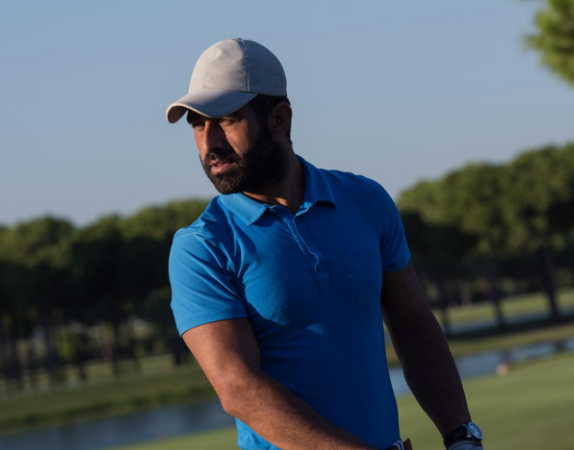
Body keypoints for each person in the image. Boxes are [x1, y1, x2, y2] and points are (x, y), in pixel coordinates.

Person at [166, 38, 484, 450]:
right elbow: (239, 389)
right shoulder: (202, 246)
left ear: (279, 119)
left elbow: (415, 326)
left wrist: (461, 435)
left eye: (225, 120)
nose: (209, 143)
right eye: (197, 124)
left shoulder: (366, 201)